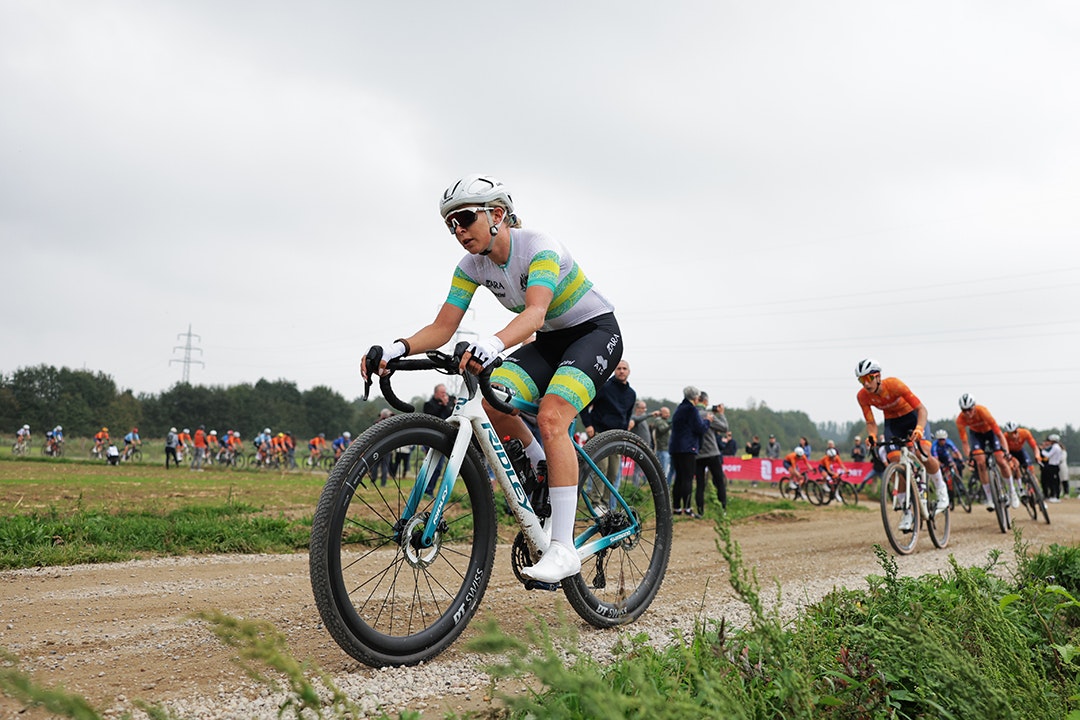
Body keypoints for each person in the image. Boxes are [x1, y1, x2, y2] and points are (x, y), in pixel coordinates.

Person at [362, 174, 623, 585]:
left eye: (465, 218)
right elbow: (444, 326)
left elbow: (536, 313)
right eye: (451, 224)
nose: (458, 230)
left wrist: (493, 344)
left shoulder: (539, 247)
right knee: (492, 401)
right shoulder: (471, 266)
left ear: (497, 214)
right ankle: (540, 465)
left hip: (593, 332)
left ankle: (563, 549)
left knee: (552, 416)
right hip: (550, 342)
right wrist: (397, 348)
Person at [854, 359, 949, 531]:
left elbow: (922, 410)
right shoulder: (862, 396)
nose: (866, 384)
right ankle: (907, 511)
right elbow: (870, 422)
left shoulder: (895, 385)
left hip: (913, 417)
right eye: (861, 380)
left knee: (923, 454)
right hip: (893, 424)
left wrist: (919, 428)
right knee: (895, 462)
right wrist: (872, 436)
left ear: (878, 376)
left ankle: (941, 489)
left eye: (868, 378)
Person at [955, 393, 1019, 510]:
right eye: (964, 410)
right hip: (976, 435)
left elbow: (1000, 435)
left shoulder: (983, 412)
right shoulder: (960, 420)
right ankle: (989, 498)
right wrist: (969, 457)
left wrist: (1006, 452)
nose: (967, 413)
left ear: (974, 406)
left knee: (1001, 460)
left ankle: (1012, 491)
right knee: (980, 463)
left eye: (969, 409)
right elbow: (964, 442)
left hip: (991, 433)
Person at [670, 386, 713, 516]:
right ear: (695, 397)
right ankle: (687, 508)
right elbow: (700, 428)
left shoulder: (679, 408)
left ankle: (676, 507)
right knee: (688, 478)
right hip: (688, 447)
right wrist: (707, 421)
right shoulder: (692, 410)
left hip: (675, 447)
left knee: (678, 478)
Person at [694, 391, 728, 513]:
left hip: (698, 453)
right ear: (705, 401)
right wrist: (721, 414)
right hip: (712, 453)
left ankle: (700, 511)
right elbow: (724, 428)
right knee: (719, 481)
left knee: (700, 484)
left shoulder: (692, 414)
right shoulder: (708, 415)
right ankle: (723, 509)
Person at [422, 384, 455, 494]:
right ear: (436, 393)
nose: (444, 395)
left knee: (438, 467)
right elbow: (433, 419)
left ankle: (429, 490)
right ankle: (424, 489)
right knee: (430, 465)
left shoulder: (449, 402)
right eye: (442, 393)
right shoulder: (429, 405)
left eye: (445, 392)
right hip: (430, 438)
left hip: (443, 439)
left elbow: (451, 418)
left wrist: (449, 405)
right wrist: (443, 406)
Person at [1001, 421, 1040, 487]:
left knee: (1030, 469)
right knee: (1016, 465)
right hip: (1010, 452)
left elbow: (1034, 447)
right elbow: (1005, 451)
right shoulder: (1004, 437)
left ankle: (1036, 489)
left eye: (1015, 432)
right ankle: (1020, 487)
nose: (1013, 436)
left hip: (1020, 451)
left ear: (1017, 430)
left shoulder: (1025, 433)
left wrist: (1037, 455)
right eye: (1010, 434)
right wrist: (1010, 462)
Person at [649, 406, 672, 485]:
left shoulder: (665, 421)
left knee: (666, 470)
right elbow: (662, 430)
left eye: (669, 413)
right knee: (662, 471)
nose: (668, 415)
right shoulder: (659, 421)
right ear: (661, 413)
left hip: (666, 449)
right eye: (666, 413)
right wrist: (671, 425)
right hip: (661, 449)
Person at [1041, 433, 1064, 502]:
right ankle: (1055, 495)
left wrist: (1042, 451)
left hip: (1053, 466)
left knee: (1053, 481)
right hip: (1055, 466)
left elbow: (1048, 455)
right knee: (1055, 481)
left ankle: (1054, 496)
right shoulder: (1058, 447)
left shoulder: (1055, 447)